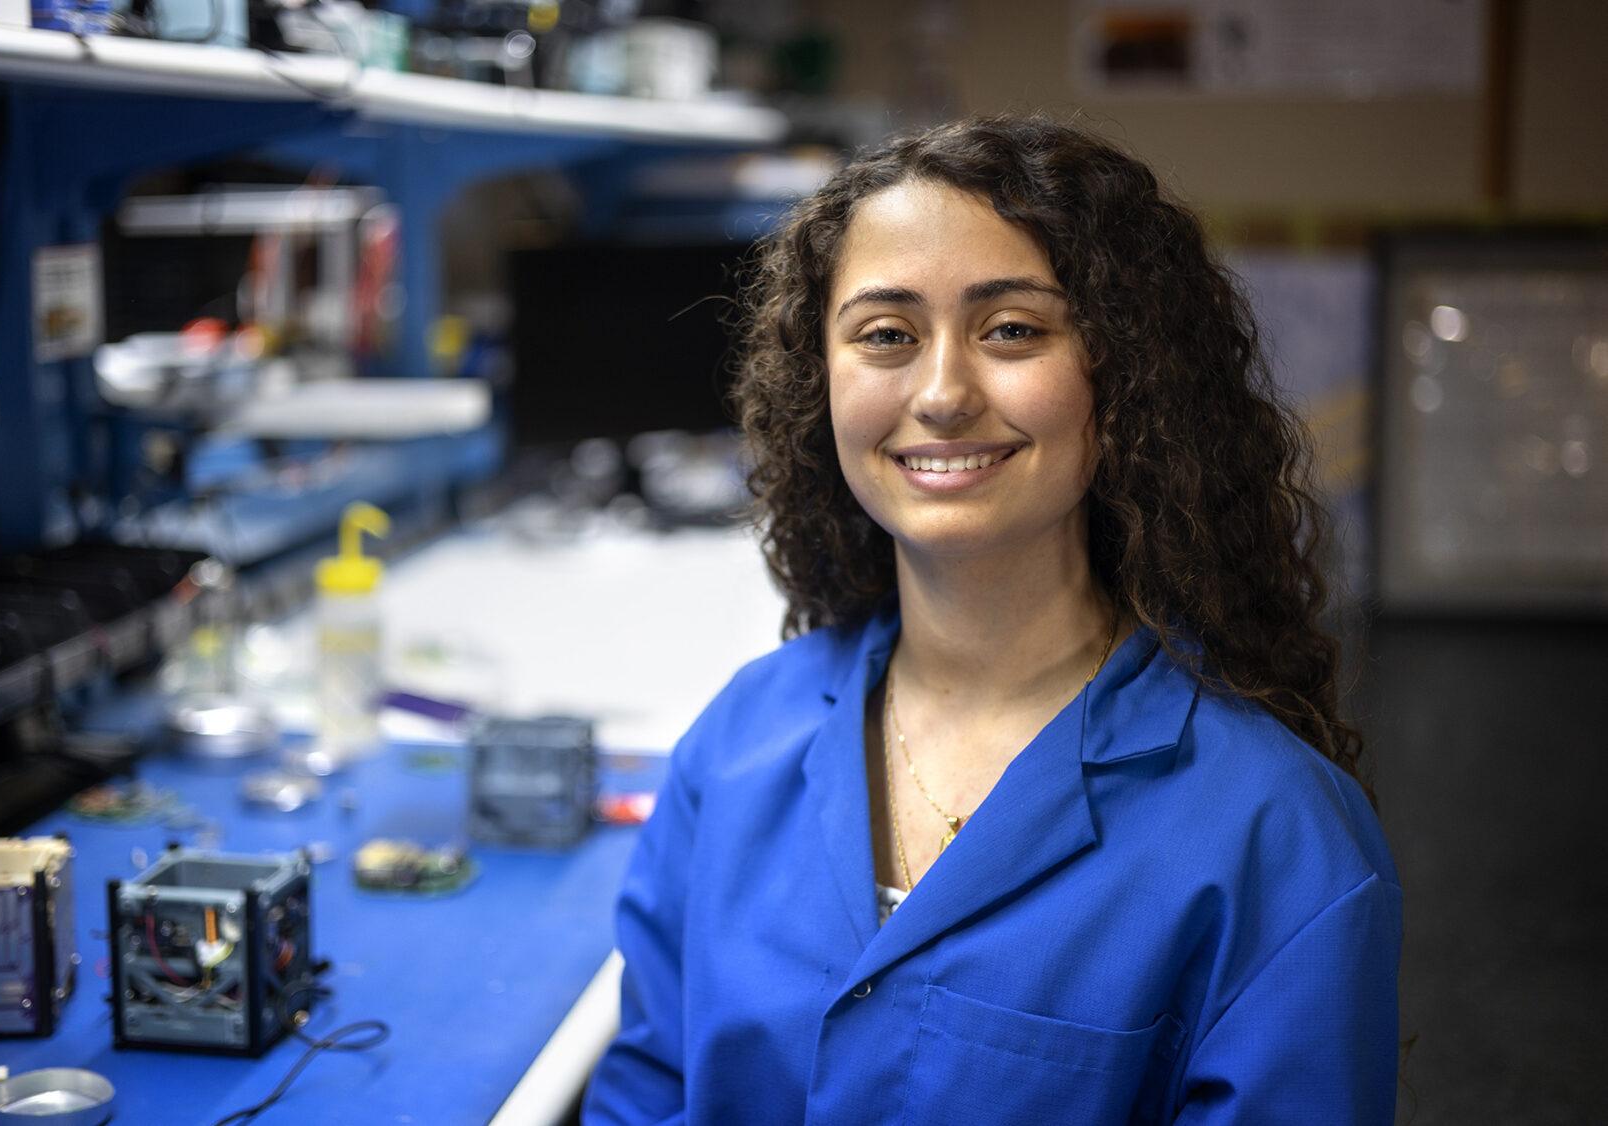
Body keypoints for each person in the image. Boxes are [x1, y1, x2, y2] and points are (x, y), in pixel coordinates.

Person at [583, 115, 1401, 1125]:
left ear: (1126, 372)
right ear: (819, 380)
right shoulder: (738, 743)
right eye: (886, 334)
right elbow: (645, 1091)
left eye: (1011, 329)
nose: (941, 394)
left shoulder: (1274, 835)